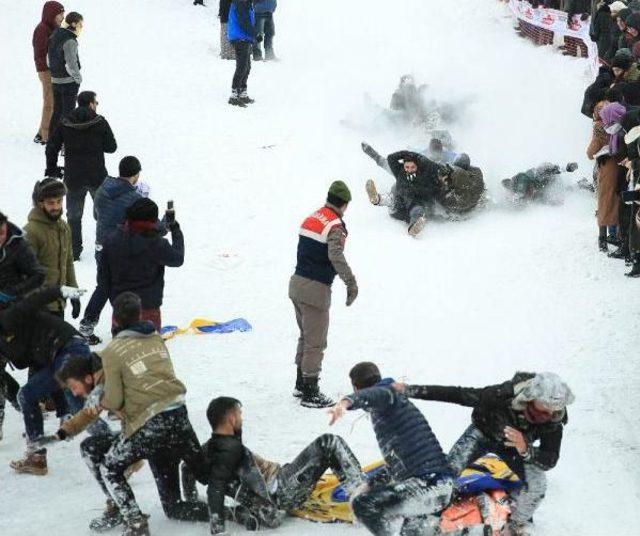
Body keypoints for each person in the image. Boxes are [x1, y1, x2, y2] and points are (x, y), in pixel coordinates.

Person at [396, 372, 574, 536]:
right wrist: (410, 390)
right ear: (530, 399)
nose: (548, 416)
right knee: (448, 479)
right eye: (542, 411)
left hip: (515, 447)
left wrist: (526, 449)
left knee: (537, 484)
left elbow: (550, 458)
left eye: (554, 412)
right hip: (483, 434)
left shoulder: (554, 419)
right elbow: (459, 394)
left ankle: (516, 524)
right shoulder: (503, 395)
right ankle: (421, 518)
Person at [94, 291, 208, 536]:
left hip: (149, 424)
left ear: (115, 319)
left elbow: (114, 399)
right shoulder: (156, 339)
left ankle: (136, 523)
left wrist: (102, 400)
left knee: (109, 467)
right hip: (178, 414)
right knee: (204, 473)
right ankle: (244, 502)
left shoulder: (113, 350)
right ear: (140, 313)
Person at [182, 396, 365, 535]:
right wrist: (265, 511)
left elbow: (186, 467)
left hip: (280, 477)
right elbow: (218, 487)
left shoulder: (213, 446)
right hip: (283, 489)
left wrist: (191, 500)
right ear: (231, 419)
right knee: (329, 443)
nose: (242, 419)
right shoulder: (229, 451)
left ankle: (359, 488)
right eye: (239, 415)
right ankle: (364, 497)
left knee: (324, 448)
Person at [329, 362, 453, 536]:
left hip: (428, 487)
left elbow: (374, 394)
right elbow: (399, 461)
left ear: (356, 388)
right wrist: (369, 484)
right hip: (437, 486)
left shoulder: (388, 394)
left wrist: (346, 402)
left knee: (364, 505)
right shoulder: (393, 408)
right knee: (408, 527)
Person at [0, 285, 88, 475]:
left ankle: (119, 450)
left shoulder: (10, 316)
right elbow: (28, 362)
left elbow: (35, 299)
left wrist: (60, 291)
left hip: (70, 348)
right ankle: (36, 456)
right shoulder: (5, 338)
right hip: (58, 356)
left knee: (80, 408)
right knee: (27, 395)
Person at [289, 181, 357, 408]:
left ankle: (301, 383)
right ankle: (310, 391)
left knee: (305, 337)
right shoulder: (335, 226)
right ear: (345, 204)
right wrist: (351, 282)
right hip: (315, 289)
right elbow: (335, 256)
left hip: (296, 285)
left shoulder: (313, 217)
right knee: (315, 342)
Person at [45, 90, 118, 260]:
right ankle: (104, 247)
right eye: (96, 103)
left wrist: (52, 168)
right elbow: (111, 147)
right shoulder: (100, 122)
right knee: (103, 214)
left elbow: (51, 147)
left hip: (73, 177)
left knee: (74, 216)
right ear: (91, 104)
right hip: (97, 176)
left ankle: (74, 250)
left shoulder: (65, 122)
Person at [79, 156, 144, 344]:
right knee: (121, 287)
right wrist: (166, 223)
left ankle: (90, 325)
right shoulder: (134, 198)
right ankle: (123, 327)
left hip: (101, 245)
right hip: (119, 249)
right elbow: (144, 225)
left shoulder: (103, 188)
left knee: (105, 286)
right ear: (136, 174)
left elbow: (96, 215)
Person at [99, 199, 183, 333]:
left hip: (121, 305)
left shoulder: (112, 240)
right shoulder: (156, 244)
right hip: (148, 306)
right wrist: (176, 230)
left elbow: (103, 276)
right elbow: (177, 259)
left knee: (121, 348)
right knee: (149, 348)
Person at [0, 211, 45, 441]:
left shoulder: (18, 246)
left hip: (13, 316)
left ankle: (28, 402)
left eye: (2, 232)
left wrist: (10, 294)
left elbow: (38, 276)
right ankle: (21, 402)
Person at [24, 179, 80, 317]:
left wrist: (74, 293)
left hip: (58, 304)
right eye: (50, 203)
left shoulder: (64, 228)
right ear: (40, 203)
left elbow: (68, 262)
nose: (56, 207)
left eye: (59, 201)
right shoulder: (31, 231)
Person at [362, 143, 441, 236]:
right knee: (393, 198)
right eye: (407, 167)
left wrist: (418, 157)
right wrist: (406, 154)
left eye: (412, 167)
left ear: (417, 166)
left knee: (418, 211)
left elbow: (435, 171)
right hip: (398, 205)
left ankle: (413, 228)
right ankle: (377, 198)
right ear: (403, 166)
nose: (409, 170)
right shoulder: (400, 171)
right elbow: (388, 159)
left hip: (413, 207)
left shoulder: (424, 176)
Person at [588, 102, 626, 251]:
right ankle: (616, 235)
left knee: (604, 202)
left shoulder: (599, 127)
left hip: (606, 169)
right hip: (621, 167)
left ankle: (602, 239)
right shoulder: (620, 123)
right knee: (617, 201)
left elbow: (590, 153)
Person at [32, 1, 65, 144]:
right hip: (46, 71)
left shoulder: (53, 28)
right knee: (50, 102)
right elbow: (41, 52)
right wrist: (46, 68)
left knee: (54, 101)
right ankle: (45, 136)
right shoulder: (42, 30)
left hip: (51, 70)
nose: (62, 16)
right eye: (60, 13)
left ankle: (41, 133)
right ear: (51, 14)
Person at [47, 11, 84, 140]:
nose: (81, 27)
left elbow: (48, 59)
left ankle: (52, 139)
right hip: (68, 82)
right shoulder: (70, 40)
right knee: (68, 113)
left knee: (57, 111)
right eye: (80, 24)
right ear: (73, 23)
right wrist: (78, 79)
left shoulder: (55, 34)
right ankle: (65, 143)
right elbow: (71, 64)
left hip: (55, 80)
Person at [500, 162, 579, 205]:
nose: (527, 195)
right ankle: (579, 185)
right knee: (558, 195)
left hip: (553, 181)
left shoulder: (538, 173)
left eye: (527, 192)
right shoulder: (520, 189)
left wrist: (567, 168)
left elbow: (555, 169)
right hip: (545, 188)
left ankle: (580, 185)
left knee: (560, 193)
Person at [228, 0, 257, 106]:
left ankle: (242, 93)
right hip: (240, 37)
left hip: (244, 37)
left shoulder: (246, 2)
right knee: (242, 66)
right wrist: (254, 34)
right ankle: (234, 95)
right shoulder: (241, 2)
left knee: (247, 66)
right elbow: (243, 21)